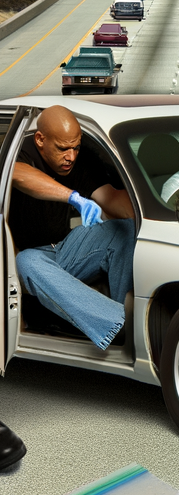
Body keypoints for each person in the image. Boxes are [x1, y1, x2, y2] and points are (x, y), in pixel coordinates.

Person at [11, 106, 135, 351]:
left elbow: (110, 198)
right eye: (62, 148)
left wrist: (152, 214)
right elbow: (19, 174)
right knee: (26, 261)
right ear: (40, 139)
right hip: (29, 256)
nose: (71, 156)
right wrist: (73, 197)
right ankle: (116, 323)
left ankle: (131, 321)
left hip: (66, 247)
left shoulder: (79, 160)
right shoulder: (19, 153)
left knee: (124, 229)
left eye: (75, 147)